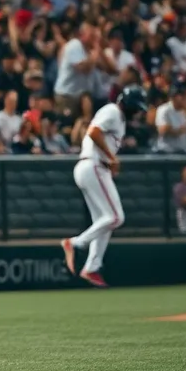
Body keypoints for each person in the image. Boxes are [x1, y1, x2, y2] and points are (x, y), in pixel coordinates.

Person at [62, 85, 149, 287]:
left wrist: (110, 161)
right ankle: (75, 243)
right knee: (116, 217)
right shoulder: (112, 111)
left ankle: (92, 267)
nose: (138, 112)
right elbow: (93, 132)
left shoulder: (120, 118)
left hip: (94, 167)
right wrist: (111, 158)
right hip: (93, 166)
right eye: (136, 108)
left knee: (105, 221)